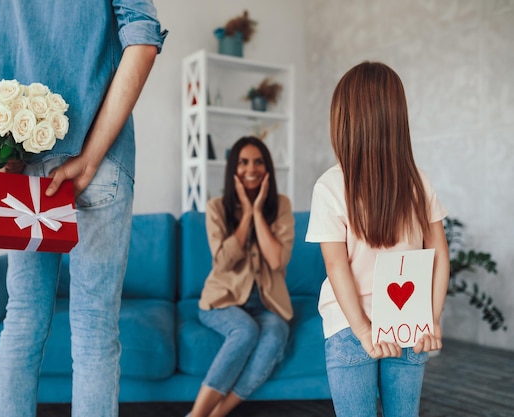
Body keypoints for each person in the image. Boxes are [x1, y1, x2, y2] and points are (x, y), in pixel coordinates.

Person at [0, 2, 167, 416]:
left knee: (22, 320)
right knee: (95, 329)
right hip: (100, 158)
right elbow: (142, 37)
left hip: (23, 163)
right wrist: (89, 156)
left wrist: (1, 146)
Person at [305, 61, 449, 417]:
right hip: (410, 322)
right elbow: (440, 256)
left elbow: (336, 266)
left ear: (344, 120)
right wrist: (431, 317)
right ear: (396, 117)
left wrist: (364, 331)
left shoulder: (329, 186)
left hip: (348, 325)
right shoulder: (419, 181)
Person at [188, 136, 295, 417]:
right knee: (245, 331)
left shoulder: (281, 205)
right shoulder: (216, 208)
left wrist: (257, 212)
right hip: (223, 302)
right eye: (244, 162)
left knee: (274, 337)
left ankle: (215, 415)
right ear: (233, 168)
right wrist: (245, 215)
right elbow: (223, 263)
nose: (252, 168)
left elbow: (276, 260)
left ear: (267, 167)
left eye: (258, 161)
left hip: (268, 305)